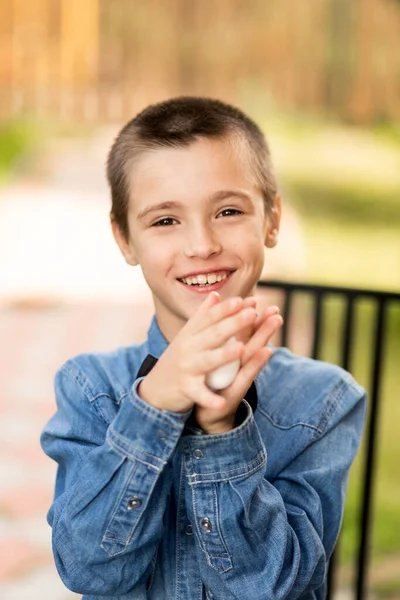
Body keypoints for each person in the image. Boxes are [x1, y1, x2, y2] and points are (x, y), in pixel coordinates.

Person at [40, 97, 366, 600]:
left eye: (229, 211)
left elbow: (282, 587)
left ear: (272, 219)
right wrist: (152, 409)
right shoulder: (90, 387)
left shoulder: (323, 401)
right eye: (165, 221)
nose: (202, 244)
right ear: (125, 238)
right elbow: (88, 569)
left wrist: (222, 430)